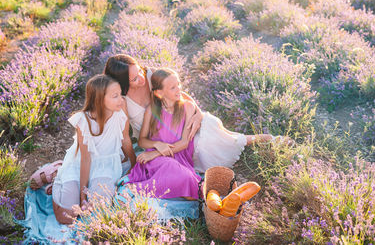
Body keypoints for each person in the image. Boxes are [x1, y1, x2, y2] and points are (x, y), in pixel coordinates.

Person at [104, 54, 293, 173]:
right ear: (122, 83)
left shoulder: (150, 75)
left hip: (178, 120)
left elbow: (180, 95)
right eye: (134, 78)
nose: (142, 79)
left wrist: (197, 114)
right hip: (159, 138)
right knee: (203, 148)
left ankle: (257, 139)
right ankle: (245, 140)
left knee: (210, 129)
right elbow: (127, 137)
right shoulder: (121, 98)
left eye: (140, 71)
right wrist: (133, 162)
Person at [52, 74, 136, 224]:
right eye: (115, 96)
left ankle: (87, 191)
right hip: (79, 164)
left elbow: (126, 139)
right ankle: (58, 180)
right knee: (67, 217)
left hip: (106, 166)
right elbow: (85, 158)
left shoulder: (120, 111)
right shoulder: (83, 120)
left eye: (120, 94)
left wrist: (135, 164)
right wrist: (82, 196)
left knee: (97, 213)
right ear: (100, 100)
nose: (121, 99)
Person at [126, 68, 201, 200]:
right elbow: (142, 140)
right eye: (173, 87)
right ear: (159, 93)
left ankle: (136, 189)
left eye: (178, 84)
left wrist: (156, 152)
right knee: (183, 177)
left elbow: (184, 143)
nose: (179, 89)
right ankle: (133, 190)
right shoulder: (152, 110)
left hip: (177, 156)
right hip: (156, 160)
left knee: (190, 183)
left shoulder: (187, 107)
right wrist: (156, 145)